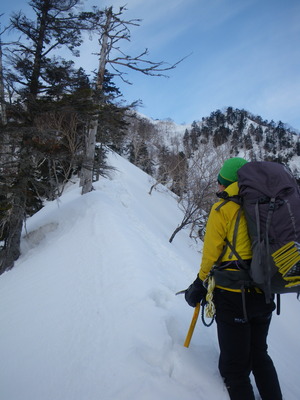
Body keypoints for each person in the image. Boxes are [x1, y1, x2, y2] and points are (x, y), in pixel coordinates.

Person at [184, 157, 283, 400]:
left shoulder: (223, 209)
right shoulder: (268, 206)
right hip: (266, 291)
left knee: (234, 370)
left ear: (226, 183)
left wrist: (199, 284)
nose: (217, 186)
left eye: (220, 182)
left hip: (233, 297)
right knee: (260, 355)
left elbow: (210, 255)